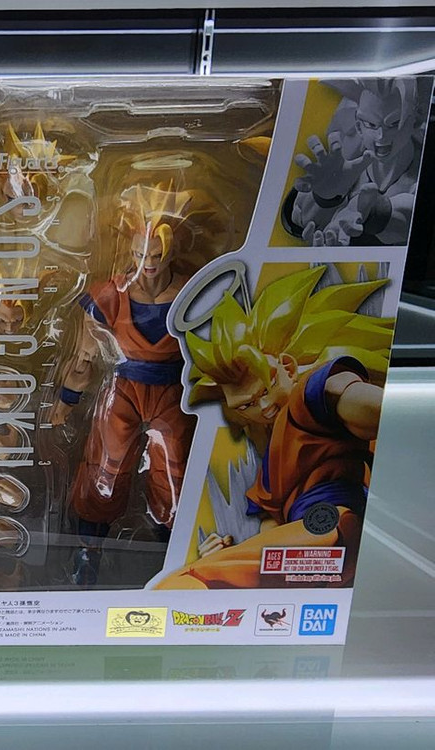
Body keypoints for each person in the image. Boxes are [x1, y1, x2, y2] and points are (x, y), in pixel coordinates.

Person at [156, 265, 394, 589]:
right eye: (246, 405)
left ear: (287, 367)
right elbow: (272, 528)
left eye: (266, 390)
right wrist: (234, 555)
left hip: (336, 526)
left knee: (189, 582)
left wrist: (221, 568)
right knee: (201, 578)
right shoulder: (275, 453)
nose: (264, 406)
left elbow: (364, 403)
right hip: (325, 560)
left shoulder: (310, 395)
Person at [51, 181, 214, 586]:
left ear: (172, 249)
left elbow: (217, 351)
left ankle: (175, 553)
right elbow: (84, 357)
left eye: (156, 255)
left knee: (174, 473)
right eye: (141, 255)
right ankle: (88, 552)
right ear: (130, 250)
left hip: (175, 393)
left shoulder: (195, 292)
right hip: (122, 389)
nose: (148, 263)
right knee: (105, 469)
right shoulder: (110, 295)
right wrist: (67, 399)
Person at [283, 78, 424, 246]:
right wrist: (325, 197)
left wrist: (371, 212)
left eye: (394, 124)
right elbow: (301, 219)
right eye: (371, 124)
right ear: (359, 126)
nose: (381, 136)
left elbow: (411, 217)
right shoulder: (346, 156)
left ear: (414, 122)